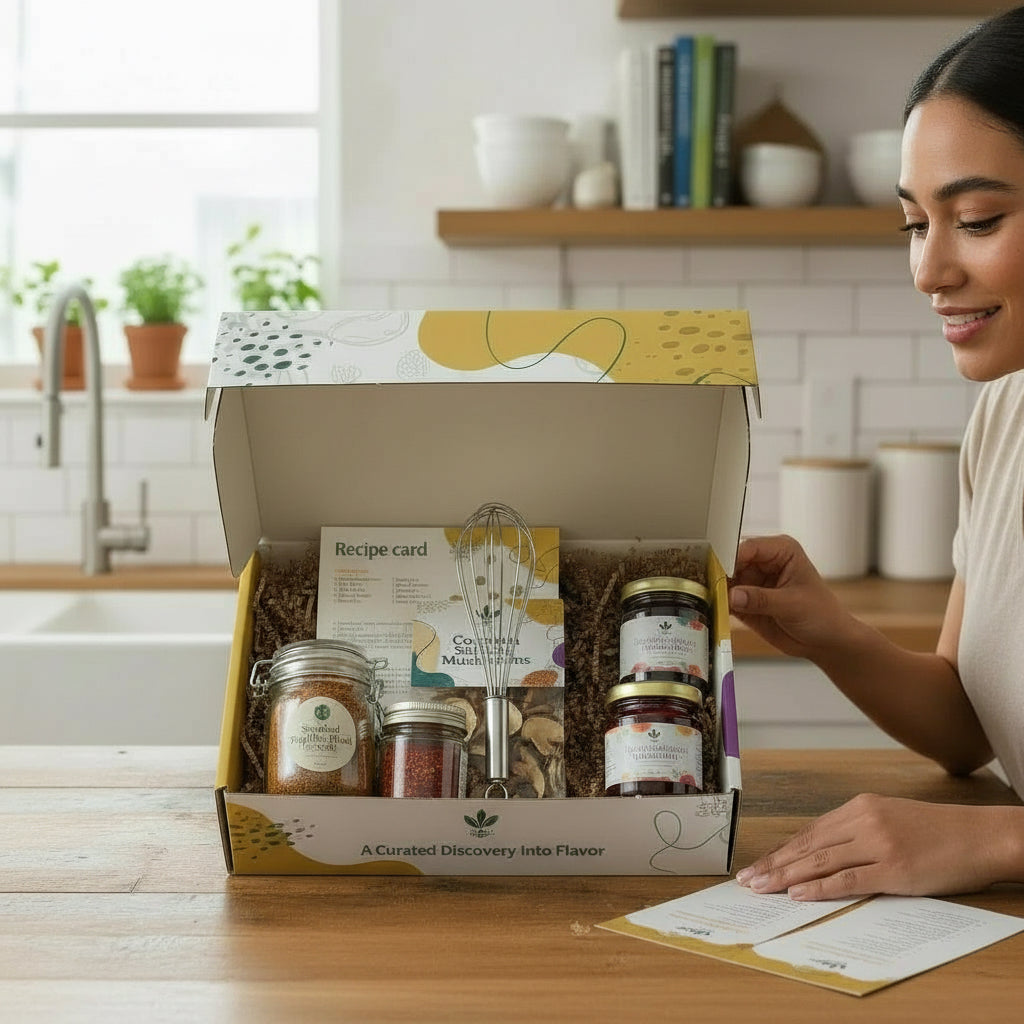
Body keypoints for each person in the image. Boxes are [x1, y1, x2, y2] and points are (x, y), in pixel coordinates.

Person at [729, 6, 1024, 901]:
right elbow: (971, 728)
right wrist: (832, 635)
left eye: (975, 220)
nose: (929, 270)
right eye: (912, 225)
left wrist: (997, 843)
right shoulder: (1004, 414)